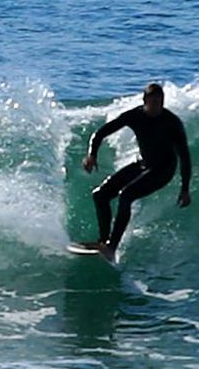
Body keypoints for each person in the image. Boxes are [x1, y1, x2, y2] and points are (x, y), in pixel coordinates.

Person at [79, 82, 192, 254]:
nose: (157, 107)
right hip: (144, 164)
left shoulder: (172, 123)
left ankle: (111, 247)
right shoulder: (135, 116)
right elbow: (100, 133)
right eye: (153, 103)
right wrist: (92, 155)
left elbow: (185, 157)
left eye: (160, 103)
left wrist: (185, 189)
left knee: (126, 195)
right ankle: (103, 242)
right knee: (100, 195)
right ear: (145, 100)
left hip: (164, 170)